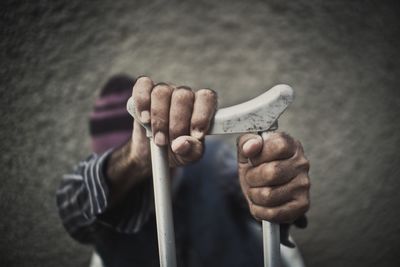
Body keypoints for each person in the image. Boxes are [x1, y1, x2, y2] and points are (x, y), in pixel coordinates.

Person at [56, 75, 310, 267]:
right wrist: (136, 161)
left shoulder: (209, 158)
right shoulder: (103, 193)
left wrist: (273, 188)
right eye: (118, 156)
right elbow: (73, 208)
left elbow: (268, 203)